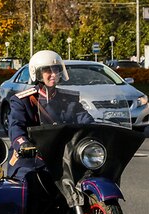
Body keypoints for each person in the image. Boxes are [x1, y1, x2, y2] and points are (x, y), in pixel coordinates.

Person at [7, 50, 93, 179]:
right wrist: (23, 144)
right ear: (37, 73)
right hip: (32, 157)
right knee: (28, 180)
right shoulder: (22, 100)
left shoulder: (69, 99)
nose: (53, 74)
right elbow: (16, 126)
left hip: (64, 155)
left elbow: (87, 121)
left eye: (56, 69)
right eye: (48, 70)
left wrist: (99, 131)